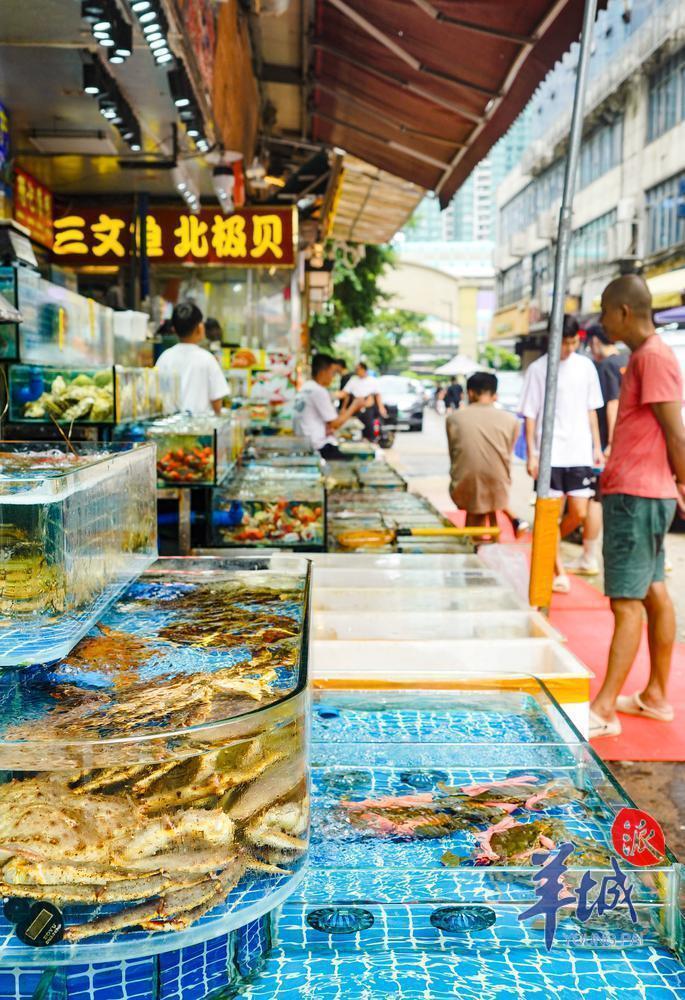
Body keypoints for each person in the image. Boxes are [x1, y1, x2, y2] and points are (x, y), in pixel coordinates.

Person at [589, 275, 685, 738]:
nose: (602, 321)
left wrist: (682, 481)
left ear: (624, 312)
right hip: (643, 493)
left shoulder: (653, 357)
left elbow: (676, 432)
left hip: (638, 497)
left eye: (605, 311)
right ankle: (654, 697)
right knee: (652, 591)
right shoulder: (645, 357)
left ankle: (604, 708)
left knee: (626, 603)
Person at [520, 316, 604, 593]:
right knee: (550, 513)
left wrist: (596, 447)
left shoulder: (586, 367)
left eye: (573, 342)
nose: (568, 348)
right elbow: (530, 414)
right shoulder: (538, 369)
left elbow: (592, 409)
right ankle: (557, 570)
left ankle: (547, 540)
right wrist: (531, 454)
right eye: (564, 343)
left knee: (579, 512)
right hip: (550, 453)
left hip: (579, 451)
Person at [568, 323, 629, 575]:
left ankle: (588, 557)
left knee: (596, 499)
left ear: (594, 341)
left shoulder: (605, 368)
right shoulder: (628, 361)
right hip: (632, 443)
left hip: (609, 444)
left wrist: (610, 443)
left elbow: (612, 404)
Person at [446, 372, 519, 533]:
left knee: (475, 493)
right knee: (491, 488)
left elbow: (454, 453)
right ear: (495, 395)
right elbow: (507, 451)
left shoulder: (454, 419)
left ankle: (473, 548)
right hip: (498, 484)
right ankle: (494, 540)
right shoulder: (511, 420)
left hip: (465, 485)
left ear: (470, 393)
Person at [155, 301, 229, 415]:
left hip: (168, 427)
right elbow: (217, 401)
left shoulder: (164, 358)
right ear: (200, 328)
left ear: (174, 330)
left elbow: (156, 397)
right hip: (200, 429)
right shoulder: (207, 359)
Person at [293, 353, 366, 459]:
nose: (333, 377)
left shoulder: (306, 387)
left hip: (306, 443)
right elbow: (335, 424)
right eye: (333, 373)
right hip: (319, 447)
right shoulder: (318, 391)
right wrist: (354, 406)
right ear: (323, 372)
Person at [342, 361, 387, 441]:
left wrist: (381, 407)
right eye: (356, 369)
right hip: (355, 408)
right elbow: (346, 394)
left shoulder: (372, 380)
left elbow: (377, 395)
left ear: (364, 369)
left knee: (369, 428)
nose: (356, 371)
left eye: (358, 369)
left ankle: (370, 441)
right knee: (354, 427)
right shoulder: (353, 380)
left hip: (368, 407)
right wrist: (344, 408)